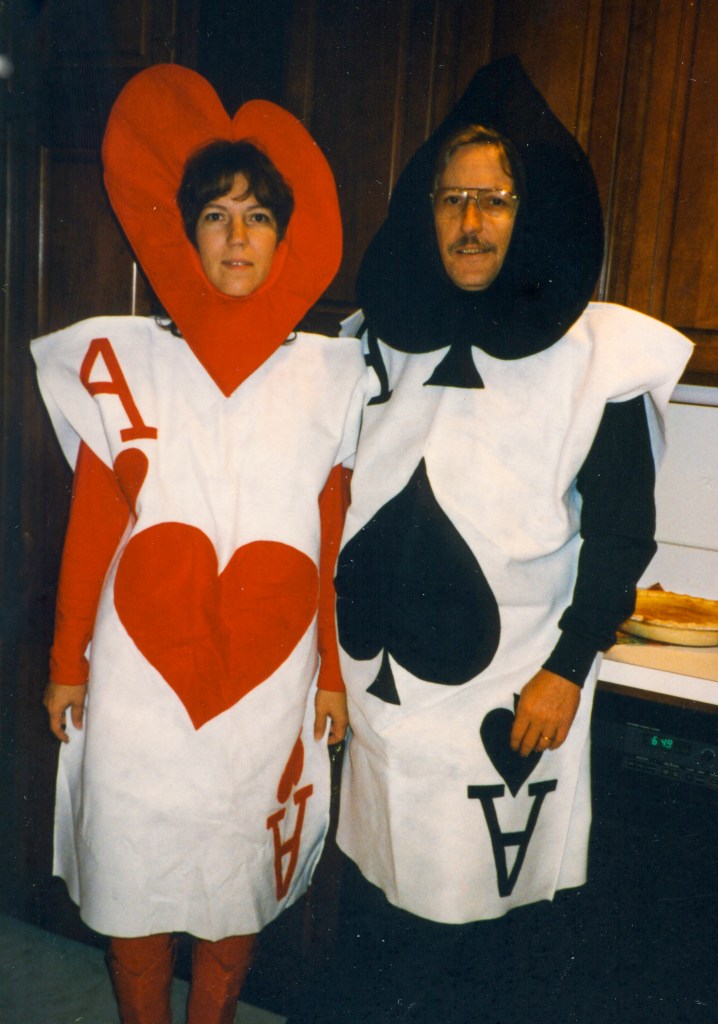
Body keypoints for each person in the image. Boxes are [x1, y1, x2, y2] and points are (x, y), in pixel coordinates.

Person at [322, 56, 693, 1022]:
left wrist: (569, 666)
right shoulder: (380, 341)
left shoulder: (596, 355)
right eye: (453, 198)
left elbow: (623, 533)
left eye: (495, 199)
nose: (472, 221)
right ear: (426, 210)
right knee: (380, 920)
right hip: (382, 701)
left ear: (530, 212)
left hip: (512, 698)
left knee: (483, 945)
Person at [31, 65, 364, 1024]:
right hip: (138, 677)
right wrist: (67, 661)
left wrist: (332, 673)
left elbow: (330, 542)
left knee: (235, 867)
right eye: (216, 215)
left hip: (270, 680)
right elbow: (94, 525)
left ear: (284, 237)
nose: (237, 235)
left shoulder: (333, 377)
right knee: (132, 866)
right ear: (188, 233)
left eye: (258, 216)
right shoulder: (128, 364)